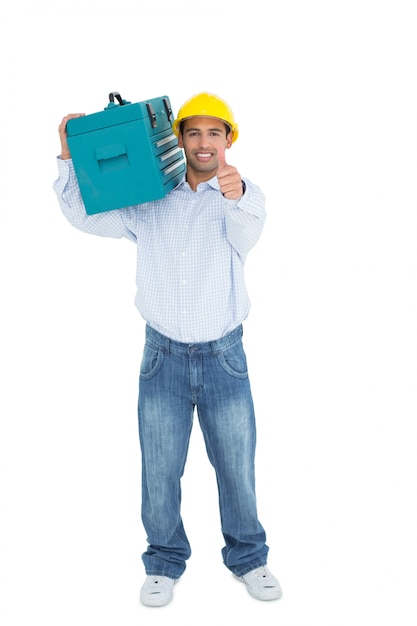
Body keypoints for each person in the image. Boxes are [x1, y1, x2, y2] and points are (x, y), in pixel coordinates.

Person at [54, 92, 282, 607]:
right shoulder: (148, 197)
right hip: (163, 359)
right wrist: (69, 156)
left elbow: (248, 234)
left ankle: (249, 558)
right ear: (177, 140)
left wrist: (237, 192)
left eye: (214, 133)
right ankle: (163, 561)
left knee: (236, 465)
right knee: (159, 467)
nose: (204, 143)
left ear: (229, 141)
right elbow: (85, 216)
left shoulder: (244, 197)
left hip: (225, 357)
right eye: (193, 133)